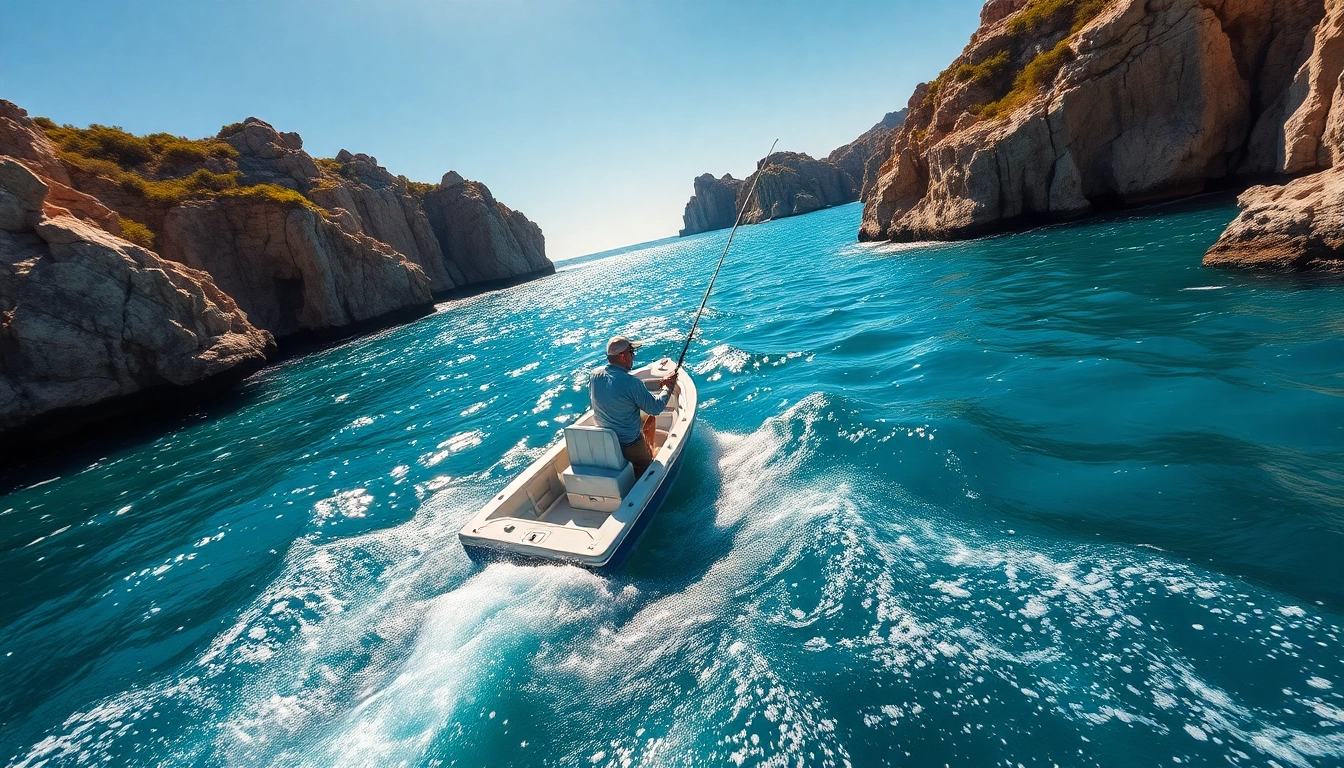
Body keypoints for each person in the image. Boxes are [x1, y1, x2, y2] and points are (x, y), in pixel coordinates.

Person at [589, 335, 679, 477]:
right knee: (646, 470)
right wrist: (669, 386)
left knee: (648, 420)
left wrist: (660, 382)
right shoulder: (631, 383)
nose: (633, 356)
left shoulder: (595, 375)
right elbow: (655, 408)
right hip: (630, 445)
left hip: (604, 441)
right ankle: (647, 459)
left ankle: (649, 448)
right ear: (623, 356)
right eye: (631, 352)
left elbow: (621, 388)